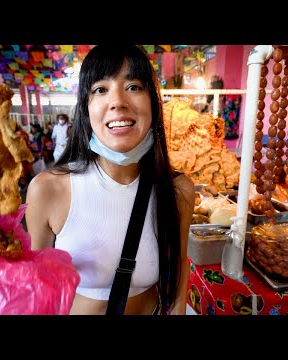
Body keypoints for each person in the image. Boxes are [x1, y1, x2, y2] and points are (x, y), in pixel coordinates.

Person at [25, 45, 195, 315]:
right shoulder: (48, 189)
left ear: (153, 101)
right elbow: (35, 286)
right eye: (100, 89)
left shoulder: (178, 191)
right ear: (86, 107)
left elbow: (178, 269)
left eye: (134, 86)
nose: (117, 101)